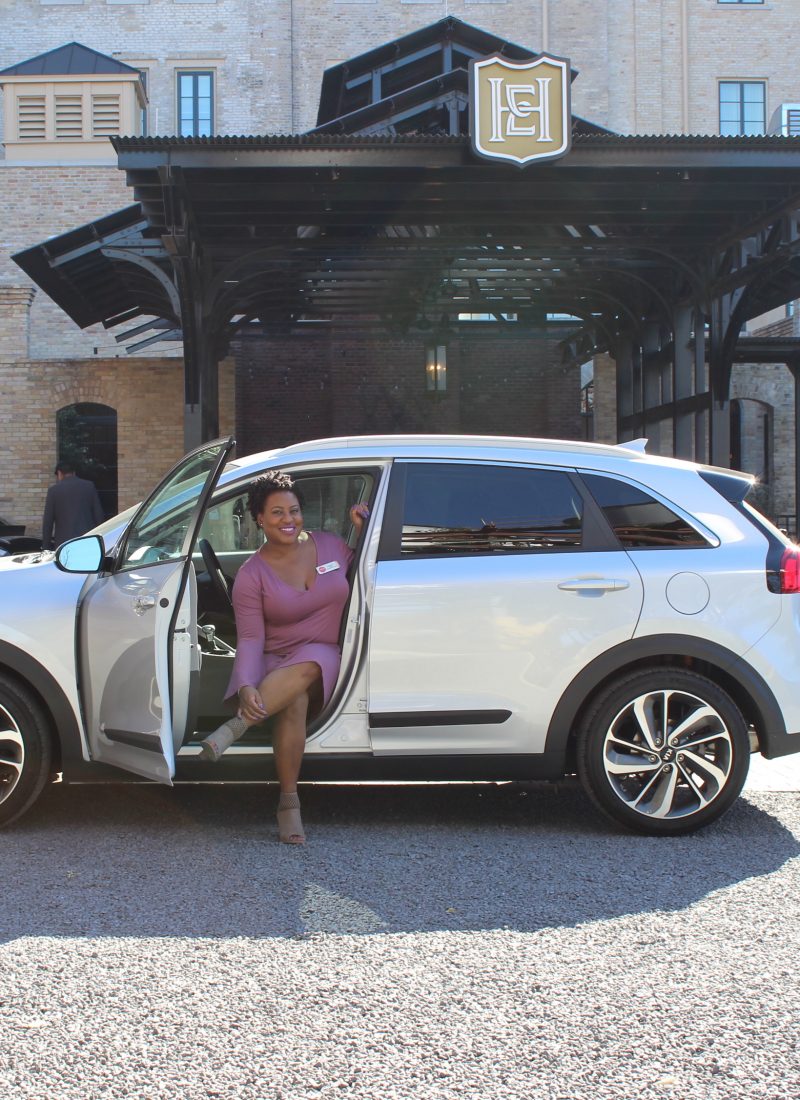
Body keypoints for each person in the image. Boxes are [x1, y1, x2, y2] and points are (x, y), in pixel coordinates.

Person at [198, 470, 369, 844]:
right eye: (276, 513)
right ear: (259, 518)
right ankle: (289, 803)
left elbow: (366, 570)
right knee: (294, 701)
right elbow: (250, 638)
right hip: (277, 661)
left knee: (310, 663)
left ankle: (237, 725)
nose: (288, 520)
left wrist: (361, 530)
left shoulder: (330, 545)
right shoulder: (251, 574)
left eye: (293, 511)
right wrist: (246, 684)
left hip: (324, 655)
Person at [41, 460, 105, 551]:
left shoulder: (54, 491)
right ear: (74, 472)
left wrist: (46, 547)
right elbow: (98, 515)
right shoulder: (89, 486)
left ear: (59, 473)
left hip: (64, 544)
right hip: (88, 540)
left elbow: (48, 522)